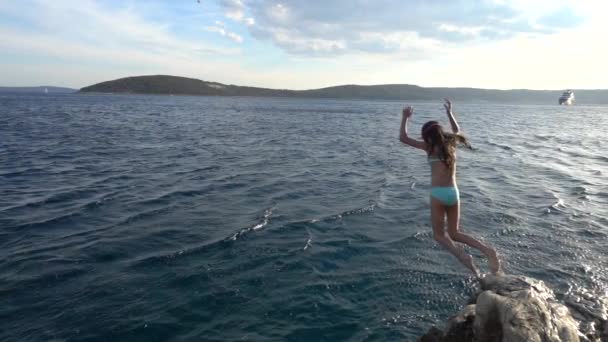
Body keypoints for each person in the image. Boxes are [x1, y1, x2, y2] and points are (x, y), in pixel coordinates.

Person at [399, 99, 501, 277]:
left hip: (438, 194)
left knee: (439, 236)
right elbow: (456, 130)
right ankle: (488, 251)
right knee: (455, 233)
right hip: (454, 193)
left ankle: (465, 258)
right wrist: (449, 113)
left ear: (428, 136)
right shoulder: (451, 145)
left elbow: (403, 138)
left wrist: (405, 118)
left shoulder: (429, 148)